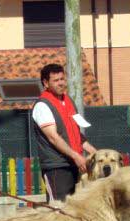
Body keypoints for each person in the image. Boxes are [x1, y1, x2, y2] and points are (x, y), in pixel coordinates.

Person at [31, 63, 97, 201]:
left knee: (76, 209)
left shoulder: (68, 101)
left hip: (74, 163)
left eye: (62, 79)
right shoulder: (42, 106)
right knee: (59, 209)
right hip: (57, 167)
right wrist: (77, 156)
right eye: (56, 80)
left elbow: (76, 133)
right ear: (45, 83)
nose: (61, 83)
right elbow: (53, 138)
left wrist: (94, 152)